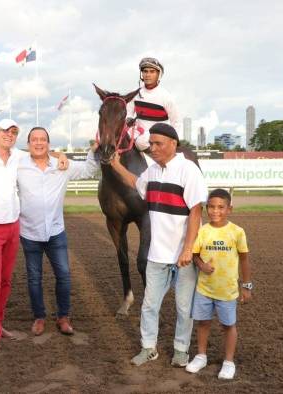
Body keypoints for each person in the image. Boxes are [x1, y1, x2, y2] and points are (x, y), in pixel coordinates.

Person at [0, 119, 68, 355]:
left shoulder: (17, 157)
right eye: (5, 131)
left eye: (13, 132)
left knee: (6, 281)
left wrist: (60, 153)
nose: (9, 135)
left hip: (13, 226)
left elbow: (39, 149)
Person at [109, 123, 207, 367]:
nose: (152, 148)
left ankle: (181, 350)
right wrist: (115, 165)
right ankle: (148, 348)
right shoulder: (152, 172)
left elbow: (195, 212)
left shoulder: (188, 170)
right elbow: (135, 183)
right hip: (157, 253)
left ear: (173, 144)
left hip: (183, 255)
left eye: (157, 144)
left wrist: (188, 249)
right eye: (150, 144)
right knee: (150, 305)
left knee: (183, 307)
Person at [17, 127, 99, 336]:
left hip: (56, 232)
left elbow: (89, 170)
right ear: (28, 144)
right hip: (29, 233)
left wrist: (94, 150)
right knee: (34, 278)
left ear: (49, 144)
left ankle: (63, 317)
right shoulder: (18, 164)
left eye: (42, 140)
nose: (38, 143)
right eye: (34, 140)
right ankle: (39, 317)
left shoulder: (63, 165)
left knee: (63, 275)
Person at [185, 188, 252, 380]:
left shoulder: (237, 232)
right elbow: (195, 254)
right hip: (204, 289)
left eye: (221, 207)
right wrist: (201, 265)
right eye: (212, 207)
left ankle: (229, 362)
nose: (216, 211)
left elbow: (245, 260)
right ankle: (201, 356)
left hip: (227, 291)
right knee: (203, 323)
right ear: (207, 209)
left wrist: (246, 286)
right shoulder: (202, 231)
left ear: (229, 209)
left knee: (228, 326)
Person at [126, 57, 181, 152]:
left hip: (157, 132)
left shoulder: (166, 97)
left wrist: (172, 141)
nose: (148, 75)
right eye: (145, 71)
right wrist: (129, 120)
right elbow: (128, 113)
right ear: (141, 74)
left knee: (140, 142)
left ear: (158, 75)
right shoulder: (135, 94)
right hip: (137, 130)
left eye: (152, 72)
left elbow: (175, 122)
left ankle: (156, 163)